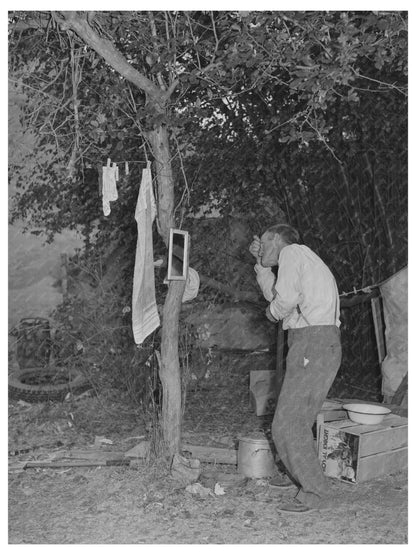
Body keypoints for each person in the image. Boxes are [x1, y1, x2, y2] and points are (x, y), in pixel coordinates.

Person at [249, 223, 342, 514]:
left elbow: (281, 303)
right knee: (295, 421)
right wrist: (260, 264)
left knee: (287, 424)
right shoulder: (302, 258)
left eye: (264, 242)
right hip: (316, 343)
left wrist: (271, 313)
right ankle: (300, 476)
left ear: (277, 238)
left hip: (312, 342)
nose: (260, 247)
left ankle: (315, 491)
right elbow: (278, 295)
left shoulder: (291, 253)